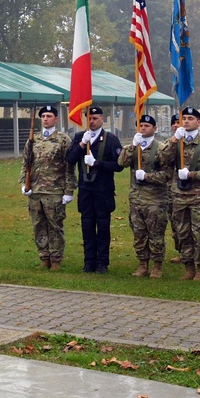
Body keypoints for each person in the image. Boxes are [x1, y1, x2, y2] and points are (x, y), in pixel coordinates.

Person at [157, 106, 200, 281]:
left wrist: (193, 175)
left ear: (198, 122)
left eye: (190, 119)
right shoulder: (176, 141)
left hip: (199, 196)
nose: (186, 121)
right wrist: (172, 140)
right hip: (178, 195)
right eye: (184, 118)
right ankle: (189, 267)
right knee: (182, 232)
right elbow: (161, 158)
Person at [66, 106, 124, 274]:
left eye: (95, 118)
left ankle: (102, 263)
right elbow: (70, 159)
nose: (91, 121)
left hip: (103, 191)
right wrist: (82, 143)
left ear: (102, 120)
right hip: (85, 190)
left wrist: (98, 163)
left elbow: (118, 165)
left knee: (103, 226)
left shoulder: (111, 139)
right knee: (87, 225)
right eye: (89, 118)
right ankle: (89, 261)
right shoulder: (79, 137)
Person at [20, 105, 75, 270]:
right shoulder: (33, 139)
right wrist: (24, 183)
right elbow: (25, 163)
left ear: (56, 119)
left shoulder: (63, 140)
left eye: (49, 116)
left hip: (55, 191)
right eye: (43, 116)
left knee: (55, 226)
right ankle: (44, 257)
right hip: (36, 191)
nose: (45, 119)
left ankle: (56, 259)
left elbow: (69, 167)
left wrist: (69, 190)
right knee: (38, 226)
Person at [117, 114, 170, 278]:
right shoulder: (132, 148)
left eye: (147, 126)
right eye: (140, 126)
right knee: (139, 234)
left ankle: (157, 266)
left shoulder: (162, 149)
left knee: (156, 235)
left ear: (154, 129)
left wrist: (147, 177)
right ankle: (142, 264)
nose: (143, 128)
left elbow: (168, 175)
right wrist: (133, 145)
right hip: (136, 199)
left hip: (155, 200)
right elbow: (121, 163)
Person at [167, 113, 183, 264]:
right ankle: (181, 251)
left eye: (179, 122)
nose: (176, 125)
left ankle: (194, 252)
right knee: (175, 221)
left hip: (189, 189)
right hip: (170, 189)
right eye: (174, 123)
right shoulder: (169, 143)